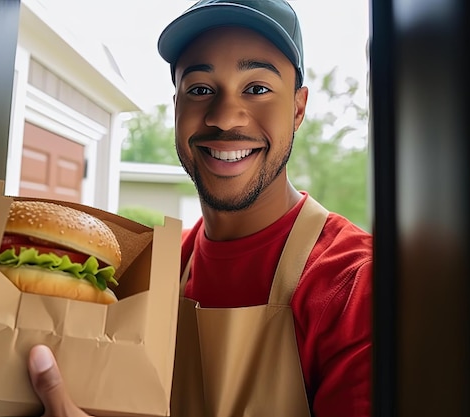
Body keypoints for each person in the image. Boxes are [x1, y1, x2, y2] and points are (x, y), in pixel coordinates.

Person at [27, 0, 373, 415]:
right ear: (177, 106)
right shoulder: (147, 275)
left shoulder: (355, 285)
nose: (225, 117)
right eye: (200, 90)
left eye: (257, 88)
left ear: (298, 108)